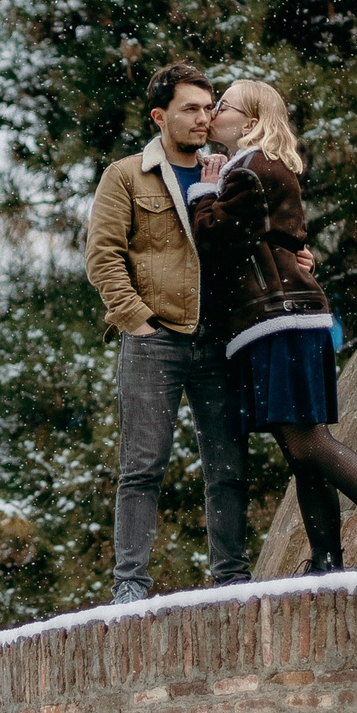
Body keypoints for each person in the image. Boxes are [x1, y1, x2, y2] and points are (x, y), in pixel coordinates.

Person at [191, 78, 357, 572]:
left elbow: (216, 240)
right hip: (281, 319)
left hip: (279, 321)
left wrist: (204, 191)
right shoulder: (259, 168)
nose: (212, 113)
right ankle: (328, 560)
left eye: (221, 106)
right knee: (301, 448)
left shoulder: (249, 169)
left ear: (248, 123)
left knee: (309, 442)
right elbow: (277, 240)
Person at [85, 63, 251, 603]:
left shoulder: (228, 172)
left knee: (227, 463)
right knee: (142, 465)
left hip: (220, 338)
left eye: (209, 108)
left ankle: (231, 577)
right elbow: (103, 256)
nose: (204, 118)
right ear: (160, 116)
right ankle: (130, 584)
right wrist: (136, 318)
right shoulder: (126, 175)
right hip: (154, 338)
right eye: (191, 108)